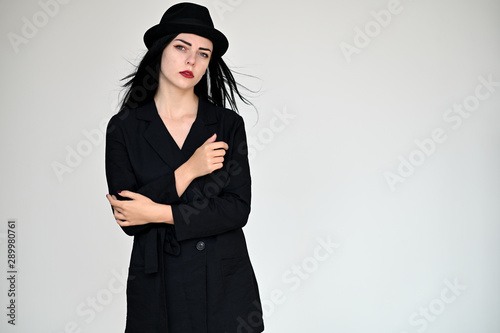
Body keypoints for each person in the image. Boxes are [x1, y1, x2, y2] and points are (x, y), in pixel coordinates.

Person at [104, 3, 264, 332]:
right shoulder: (125, 128)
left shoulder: (227, 124)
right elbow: (127, 215)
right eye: (181, 47)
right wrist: (188, 170)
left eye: (203, 53)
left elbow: (236, 209)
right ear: (160, 50)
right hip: (158, 283)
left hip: (221, 284)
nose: (192, 60)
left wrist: (159, 213)